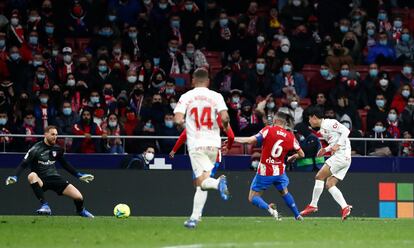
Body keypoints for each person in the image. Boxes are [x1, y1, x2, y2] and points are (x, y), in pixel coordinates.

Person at [173, 68, 232, 228]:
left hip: (196, 145)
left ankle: (218, 183)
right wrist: (224, 126)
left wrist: (185, 125)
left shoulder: (186, 96)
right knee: (200, 182)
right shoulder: (216, 96)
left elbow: (178, 119)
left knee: (201, 181)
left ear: (193, 80)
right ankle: (194, 218)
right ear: (208, 81)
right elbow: (225, 117)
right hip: (214, 145)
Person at [4, 126, 94, 217]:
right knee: (31, 175)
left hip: (54, 177)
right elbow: (23, 164)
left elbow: (65, 164)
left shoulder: (58, 149)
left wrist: (78, 175)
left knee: (79, 197)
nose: (55, 137)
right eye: (52, 134)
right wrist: (15, 176)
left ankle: (80, 211)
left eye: (56, 135)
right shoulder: (35, 149)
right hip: (40, 180)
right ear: (45, 134)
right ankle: (45, 205)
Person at [232, 111, 304, 220]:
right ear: (285, 123)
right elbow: (302, 154)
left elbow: (250, 140)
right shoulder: (290, 137)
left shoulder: (268, 130)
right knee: (284, 192)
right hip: (279, 172)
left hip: (266, 171)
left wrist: (233, 139)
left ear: (275, 121)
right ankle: (297, 215)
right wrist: (292, 157)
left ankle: (270, 209)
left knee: (253, 197)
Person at [169, 115, 234, 223]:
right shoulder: (219, 117)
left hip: (199, 152)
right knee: (201, 184)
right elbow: (231, 136)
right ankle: (196, 216)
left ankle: (195, 216)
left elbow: (184, 135)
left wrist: (174, 150)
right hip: (214, 154)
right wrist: (228, 147)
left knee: (201, 184)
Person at [300, 106, 353, 220]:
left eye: (309, 118)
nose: (309, 121)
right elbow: (335, 140)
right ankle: (345, 207)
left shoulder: (330, 123)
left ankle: (313, 205)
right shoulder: (322, 130)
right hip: (345, 158)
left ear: (314, 117)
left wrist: (337, 145)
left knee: (319, 176)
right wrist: (326, 150)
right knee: (329, 184)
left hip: (341, 156)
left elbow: (346, 131)